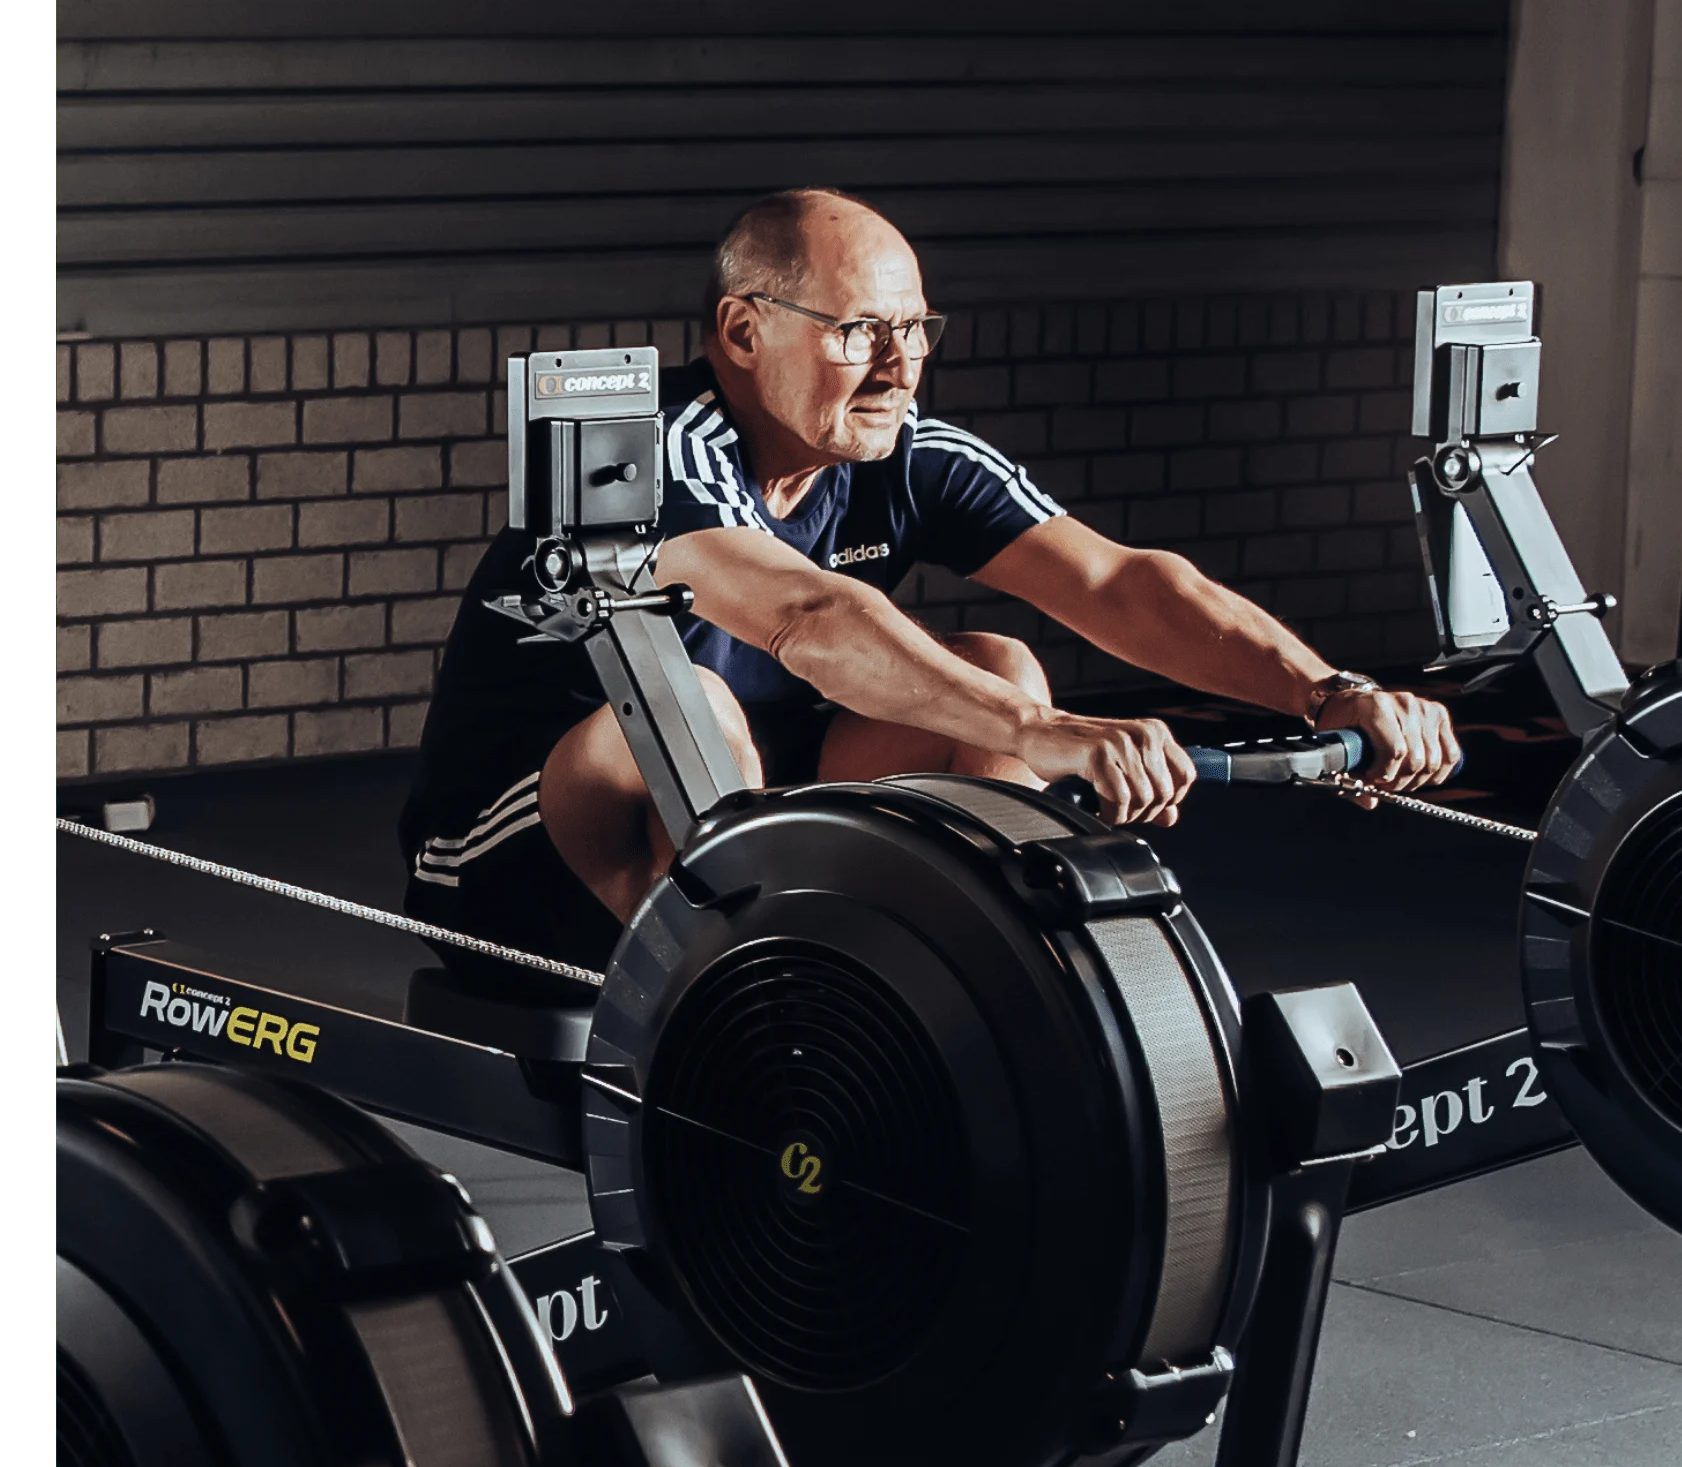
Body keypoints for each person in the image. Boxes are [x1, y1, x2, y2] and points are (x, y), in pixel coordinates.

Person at [399, 186, 1462, 984]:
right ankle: (743, 1018)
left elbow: (1118, 583)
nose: (900, 364)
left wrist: (1327, 692)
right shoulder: (651, 456)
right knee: (693, 705)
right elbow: (810, 616)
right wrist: (1043, 732)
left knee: (996, 663)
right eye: (859, 330)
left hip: (737, 815)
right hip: (506, 868)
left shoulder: (905, 452)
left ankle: (977, 988)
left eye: (914, 329)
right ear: (743, 332)